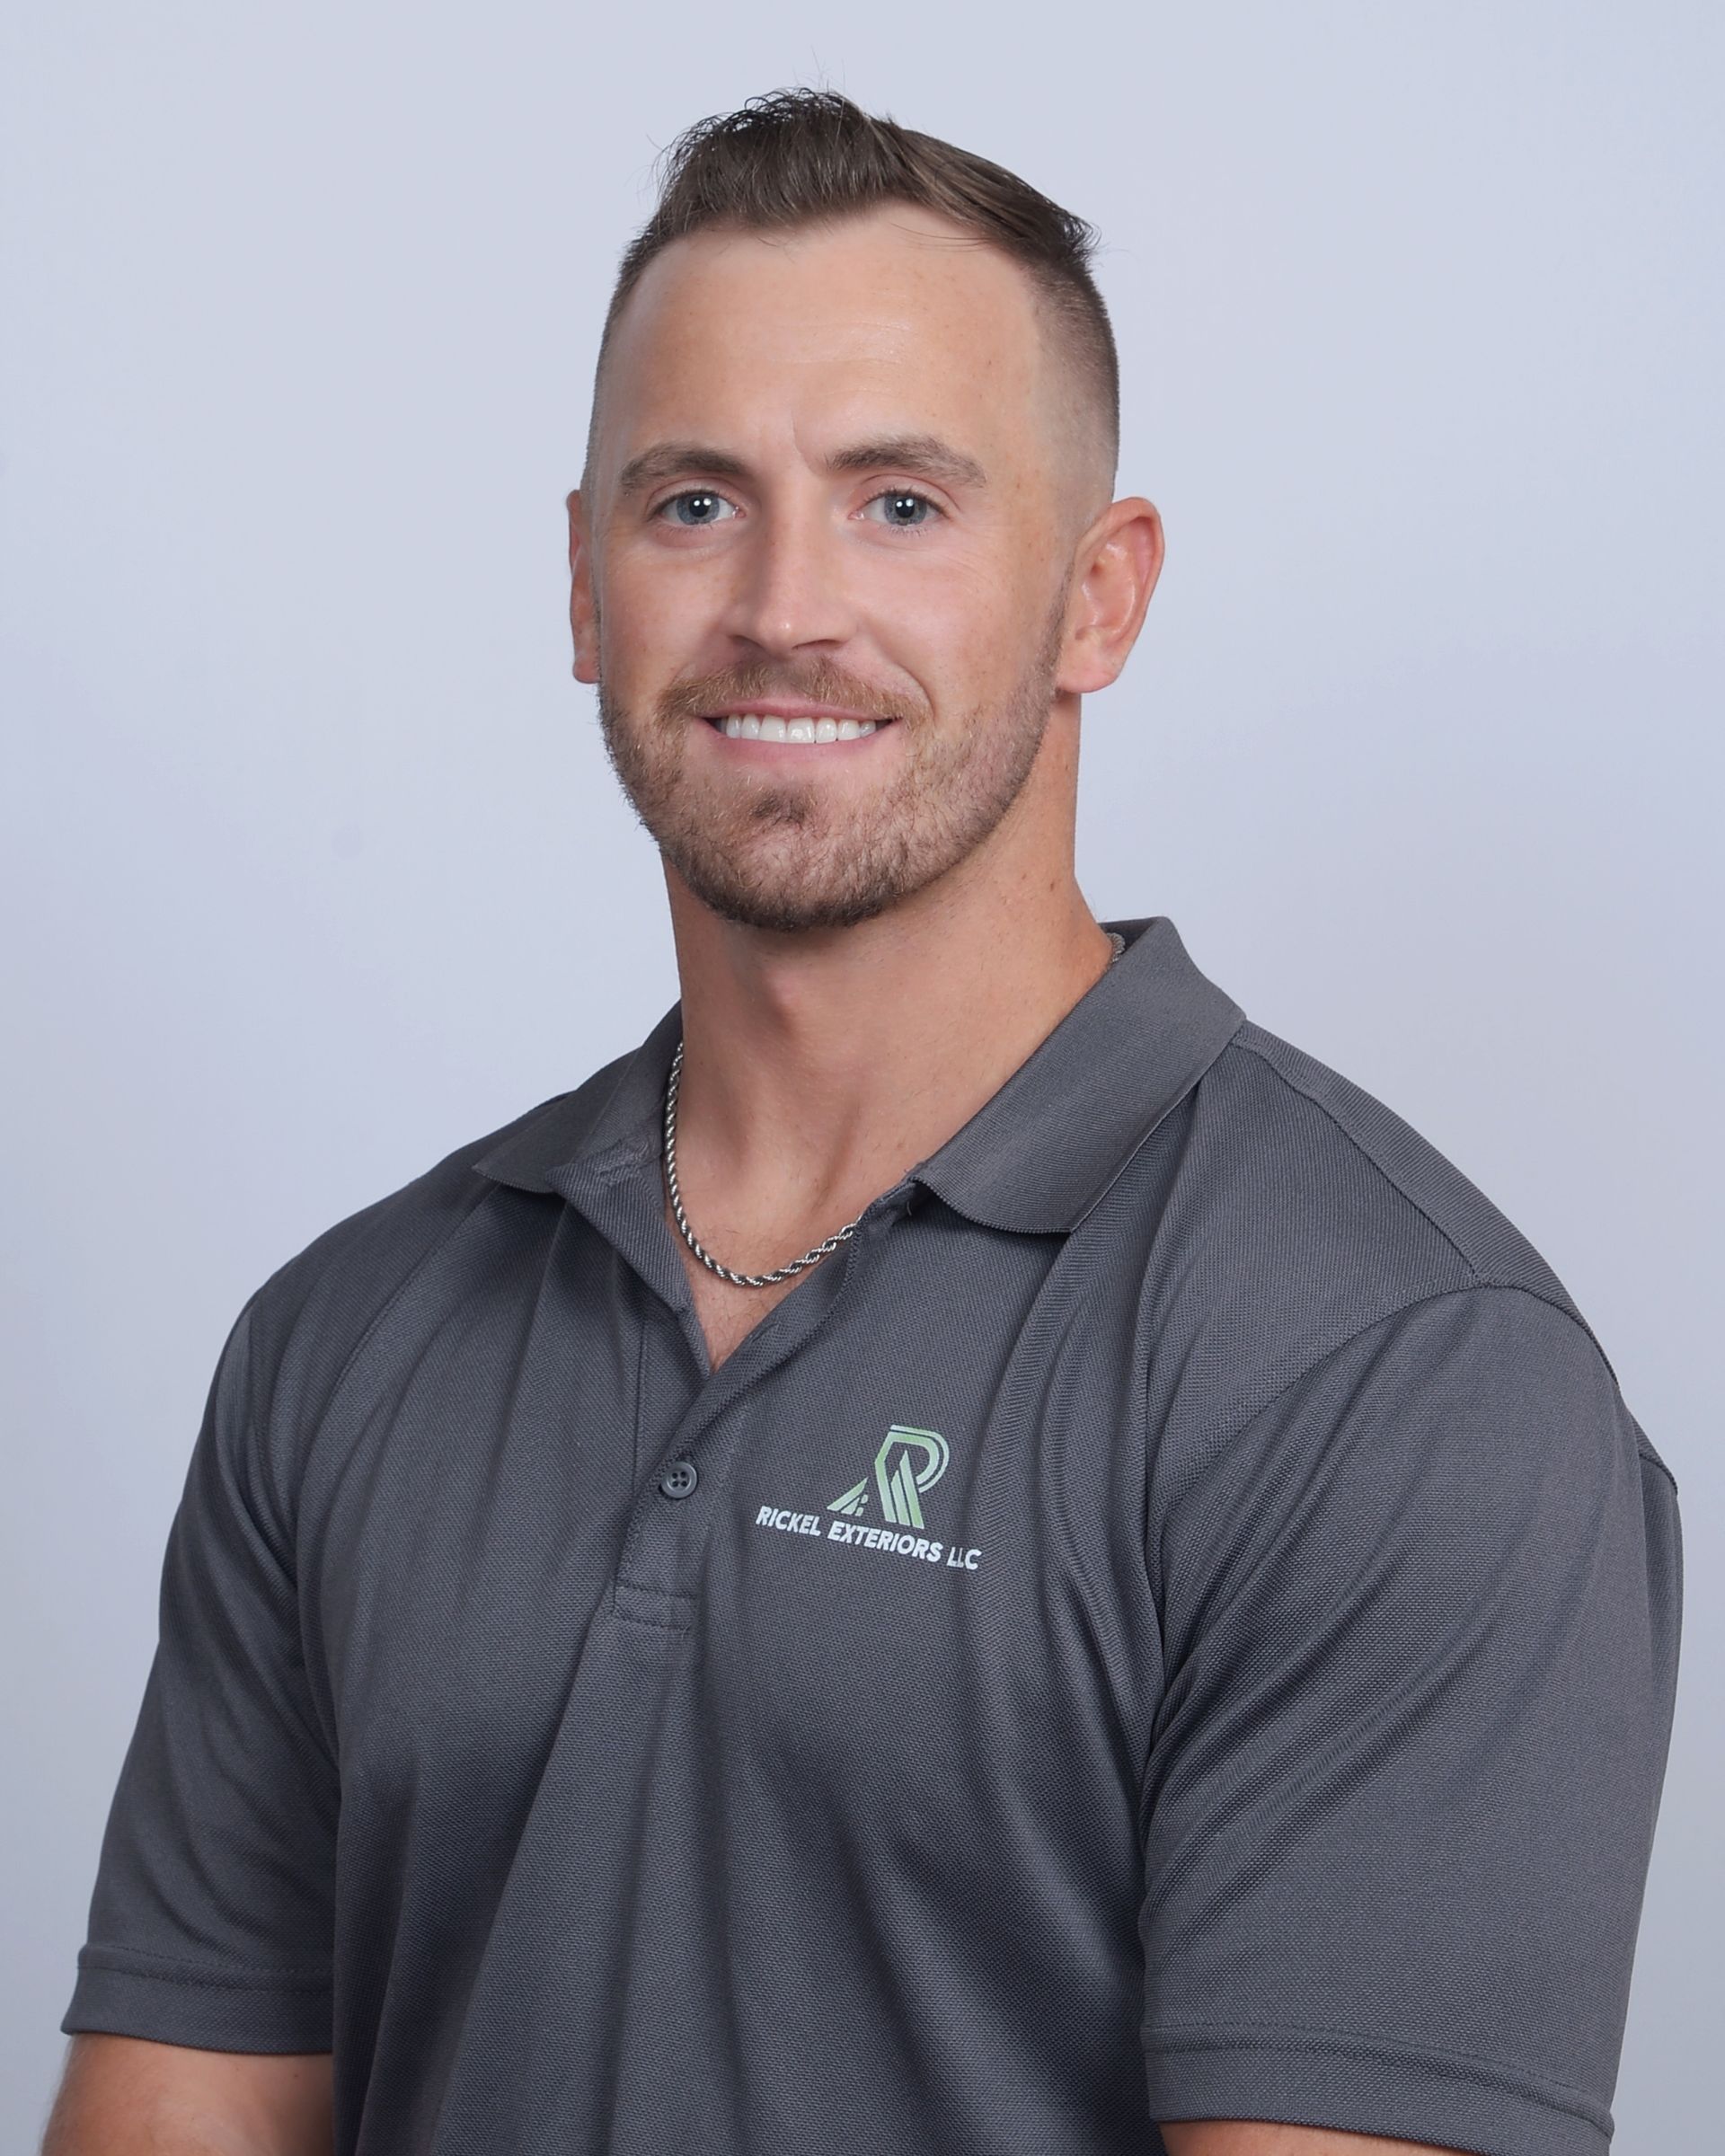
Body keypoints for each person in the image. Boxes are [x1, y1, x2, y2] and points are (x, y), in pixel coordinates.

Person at [45, 87, 1681, 2156]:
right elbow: (180, 2117)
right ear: (583, 586)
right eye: (693, 503)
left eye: (901, 503)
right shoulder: (348, 1339)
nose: (783, 606)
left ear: (1102, 596)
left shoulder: (1398, 1377)